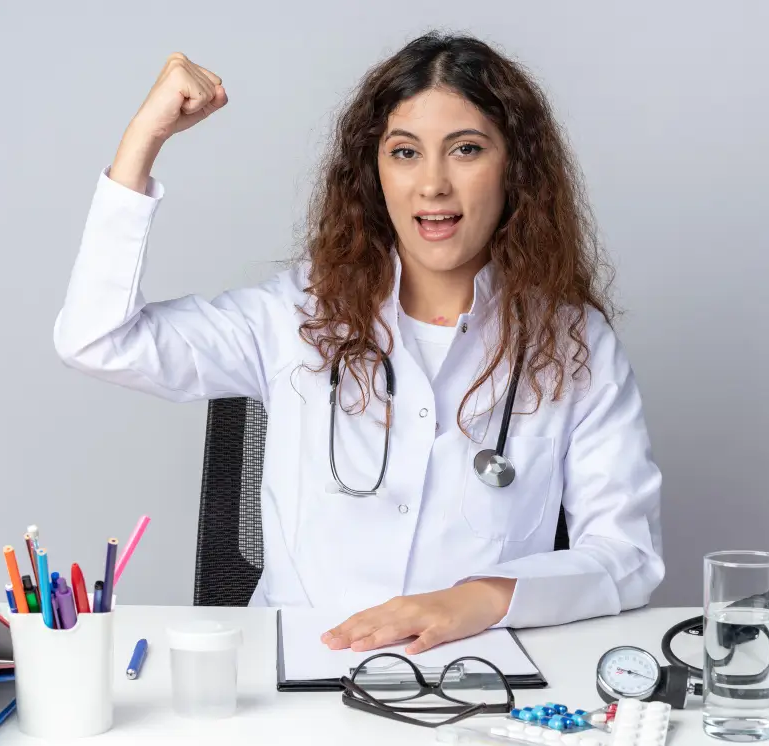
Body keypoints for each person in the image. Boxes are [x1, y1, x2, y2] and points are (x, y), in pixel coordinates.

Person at [54, 32, 664, 655]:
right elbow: (98, 340)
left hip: (470, 674)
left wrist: (477, 598)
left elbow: (628, 555)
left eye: (467, 150)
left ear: (516, 170)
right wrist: (142, 142)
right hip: (298, 678)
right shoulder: (293, 317)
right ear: (373, 172)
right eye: (405, 152)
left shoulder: (572, 344)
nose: (432, 185)